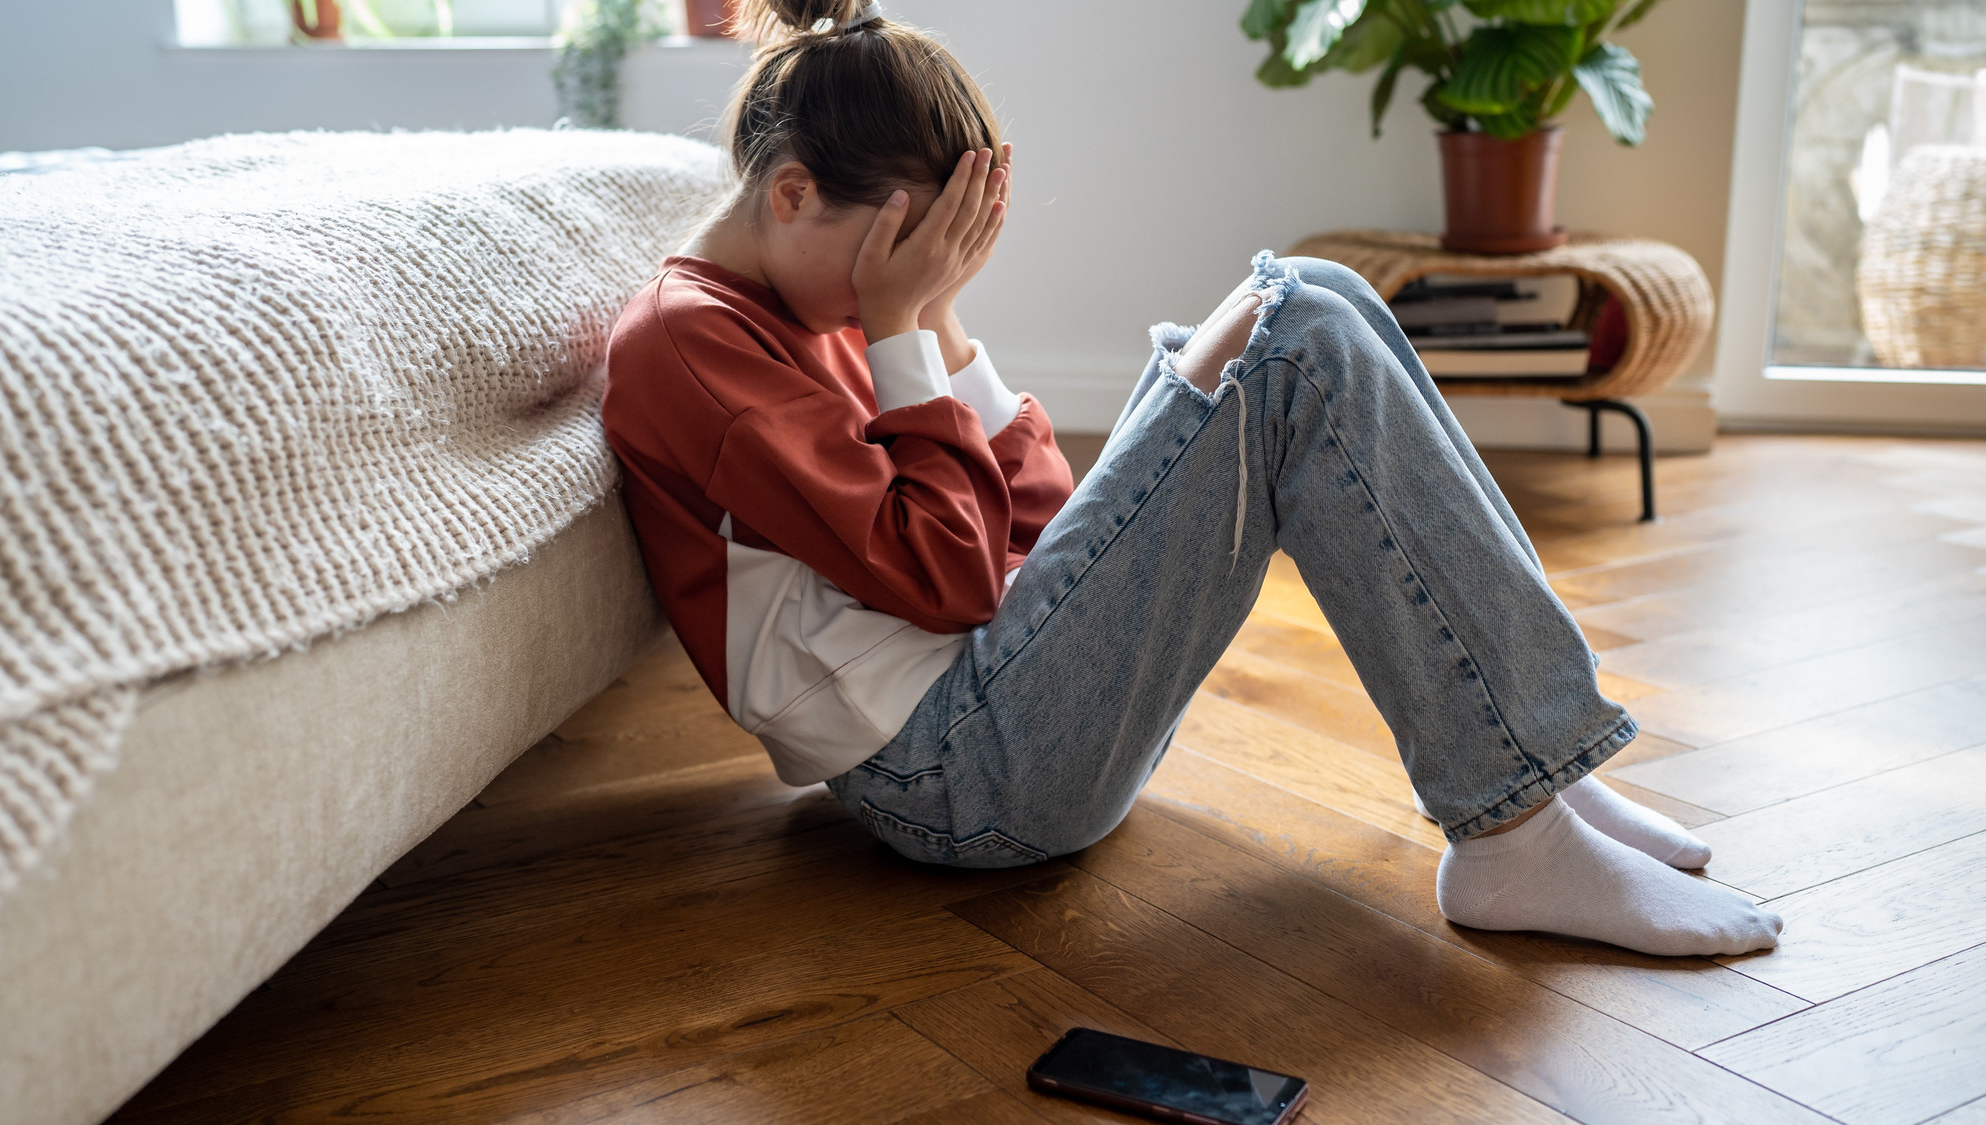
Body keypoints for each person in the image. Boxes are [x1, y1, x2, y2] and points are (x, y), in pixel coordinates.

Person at [600, 0, 1782, 958]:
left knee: (1311, 294)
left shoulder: (823, 296)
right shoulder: (691, 344)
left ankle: (1536, 780)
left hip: (1004, 702)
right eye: (897, 247)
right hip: (953, 779)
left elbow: (1039, 524)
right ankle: (1515, 826)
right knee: (1295, 350)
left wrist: (940, 325)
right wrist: (902, 325)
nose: (896, 288)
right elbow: (952, 580)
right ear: (793, 192)